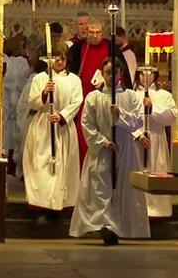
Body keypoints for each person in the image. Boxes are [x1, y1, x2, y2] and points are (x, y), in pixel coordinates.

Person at [70, 57, 150, 245]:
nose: (110, 76)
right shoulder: (94, 97)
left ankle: (120, 226)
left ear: (120, 74)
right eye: (107, 72)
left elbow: (138, 122)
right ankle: (105, 226)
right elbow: (87, 123)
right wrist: (103, 142)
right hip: (103, 149)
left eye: (114, 72)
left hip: (125, 149)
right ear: (102, 74)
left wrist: (120, 115)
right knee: (101, 188)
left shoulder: (130, 96)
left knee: (122, 188)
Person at [23, 49, 83, 224]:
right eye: (56, 58)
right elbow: (32, 101)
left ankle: (59, 207)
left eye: (63, 58)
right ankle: (41, 207)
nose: (59, 61)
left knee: (62, 167)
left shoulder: (73, 80)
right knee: (41, 166)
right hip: (43, 125)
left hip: (63, 127)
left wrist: (62, 116)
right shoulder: (40, 78)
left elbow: (77, 101)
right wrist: (44, 93)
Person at [66, 19, 133, 166]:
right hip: (83, 101)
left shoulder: (111, 47)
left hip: (108, 100)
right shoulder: (78, 48)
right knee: (84, 138)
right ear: (86, 32)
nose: (95, 36)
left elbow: (121, 73)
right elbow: (69, 72)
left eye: (98, 33)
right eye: (91, 33)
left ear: (103, 33)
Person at [135, 69, 177, 218]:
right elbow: (126, 119)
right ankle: (137, 209)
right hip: (137, 141)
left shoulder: (164, 95)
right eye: (141, 74)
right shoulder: (132, 95)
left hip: (157, 138)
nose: (145, 77)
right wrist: (137, 134)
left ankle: (158, 210)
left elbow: (171, 116)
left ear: (155, 75)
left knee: (157, 171)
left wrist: (152, 107)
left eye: (149, 74)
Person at [15, 58, 49, 181]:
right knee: (32, 149)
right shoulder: (36, 80)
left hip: (39, 117)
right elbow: (29, 102)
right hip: (33, 117)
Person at [2, 33, 30, 175]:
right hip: (8, 103)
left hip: (22, 103)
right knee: (8, 135)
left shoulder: (24, 63)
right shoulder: (10, 61)